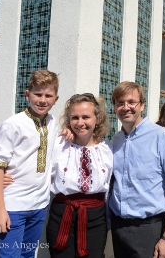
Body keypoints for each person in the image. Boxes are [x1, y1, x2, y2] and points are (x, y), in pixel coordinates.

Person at [109, 81, 165, 258]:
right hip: (118, 226)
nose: (125, 107)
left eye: (131, 102)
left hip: (147, 229)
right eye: (120, 103)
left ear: (142, 105)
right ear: (114, 107)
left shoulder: (163, 137)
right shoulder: (116, 141)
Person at [0, 70, 60, 257]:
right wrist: (0, 210)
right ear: (27, 94)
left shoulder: (52, 122)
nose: (42, 100)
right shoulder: (13, 124)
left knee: (28, 254)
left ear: (56, 99)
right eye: (38, 94)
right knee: (9, 255)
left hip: (40, 205)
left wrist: (69, 131)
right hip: (14, 206)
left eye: (48, 95)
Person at [46, 93, 113, 258]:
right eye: (75, 117)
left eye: (86, 117)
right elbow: (35, 164)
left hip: (96, 219)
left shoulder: (108, 149)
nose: (80, 122)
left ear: (97, 118)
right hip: (62, 215)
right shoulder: (58, 144)